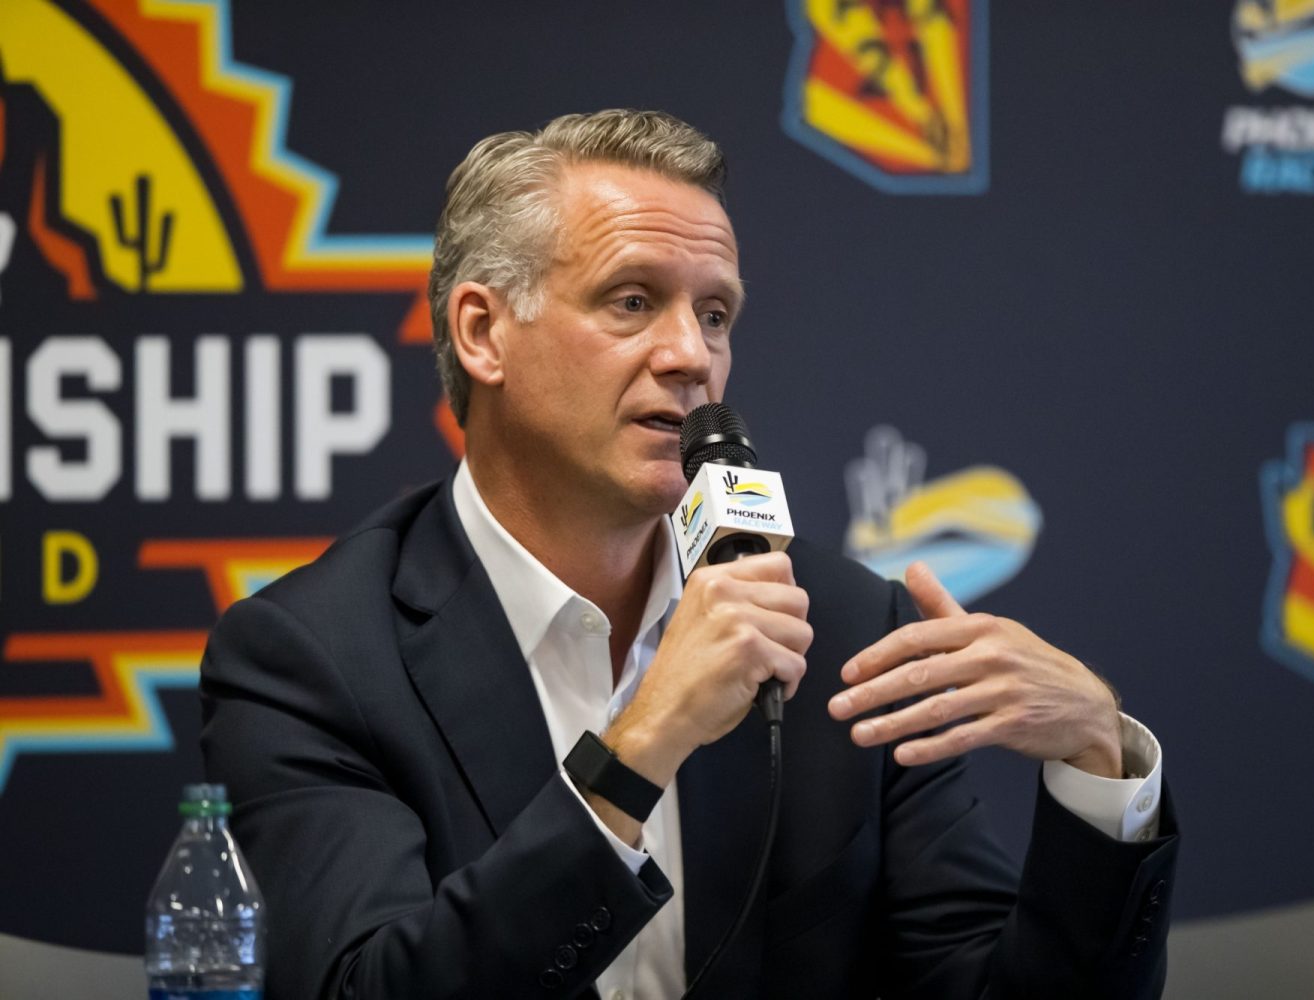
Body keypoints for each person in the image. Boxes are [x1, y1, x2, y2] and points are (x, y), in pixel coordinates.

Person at [200, 109, 1178, 999]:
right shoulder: (313, 656)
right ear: (483, 332)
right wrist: (638, 748)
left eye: (716, 315)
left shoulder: (842, 629)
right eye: (631, 301)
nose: (692, 356)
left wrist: (1099, 760)